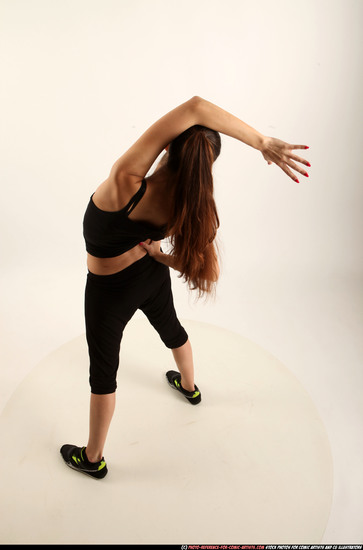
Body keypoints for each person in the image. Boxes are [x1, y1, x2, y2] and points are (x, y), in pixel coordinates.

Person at [60, 96, 310, 478]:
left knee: (103, 372)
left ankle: (93, 458)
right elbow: (203, 272)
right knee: (172, 329)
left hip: (107, 290)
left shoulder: (126, 181)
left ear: (169, 148)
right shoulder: (195, 210)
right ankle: (190, 388)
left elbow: (195, 107)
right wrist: (160, 258)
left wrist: (263, 141)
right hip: (151, 274)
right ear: (209, 165)